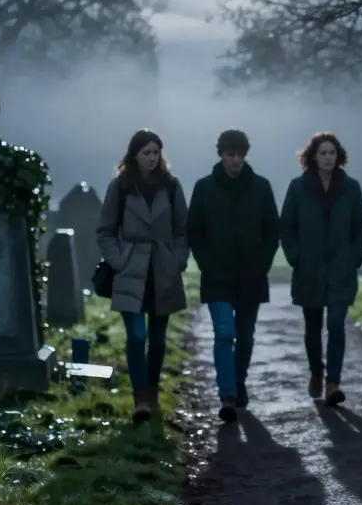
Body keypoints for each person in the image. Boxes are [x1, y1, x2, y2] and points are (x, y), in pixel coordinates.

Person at [187, 129, 280, 423]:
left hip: (251, 275)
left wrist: (262, 264)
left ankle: (238, 382)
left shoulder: (262, 188)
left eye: (240, 155)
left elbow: (272, 231)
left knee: (246, 336)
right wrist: (206, 263)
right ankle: (227, 393)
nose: (236, 160)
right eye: (231, 154)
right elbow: (194, 231)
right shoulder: (204, 188)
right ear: (221, 155)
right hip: (217, 275)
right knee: (225, 333)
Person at [96, 129, 189, 423]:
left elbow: (182, 229)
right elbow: (105, 231)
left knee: (158, 340)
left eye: (155, 152)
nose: (151, 157)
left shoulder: (171, 187)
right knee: (137, 336)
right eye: (146, 152)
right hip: (131, 269)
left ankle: (152, 389)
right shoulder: (120, 187)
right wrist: (119, 260)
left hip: (163, 268)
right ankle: (141, 399)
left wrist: (178, 260)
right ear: (134, 155)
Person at [280, 131, 362, 406]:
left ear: (338, 156)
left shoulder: (351, 187)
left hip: (341, 268)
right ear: (313, 157)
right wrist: (297, 256)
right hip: (309, 269)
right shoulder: (298, 187)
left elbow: (361, 226)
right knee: (312, 327)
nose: (328, 157)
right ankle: (316, 370)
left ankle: (333, 382)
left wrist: (354, 257)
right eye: (323, 153)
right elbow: (286, 226)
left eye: (332, 153)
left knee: (336, 324)